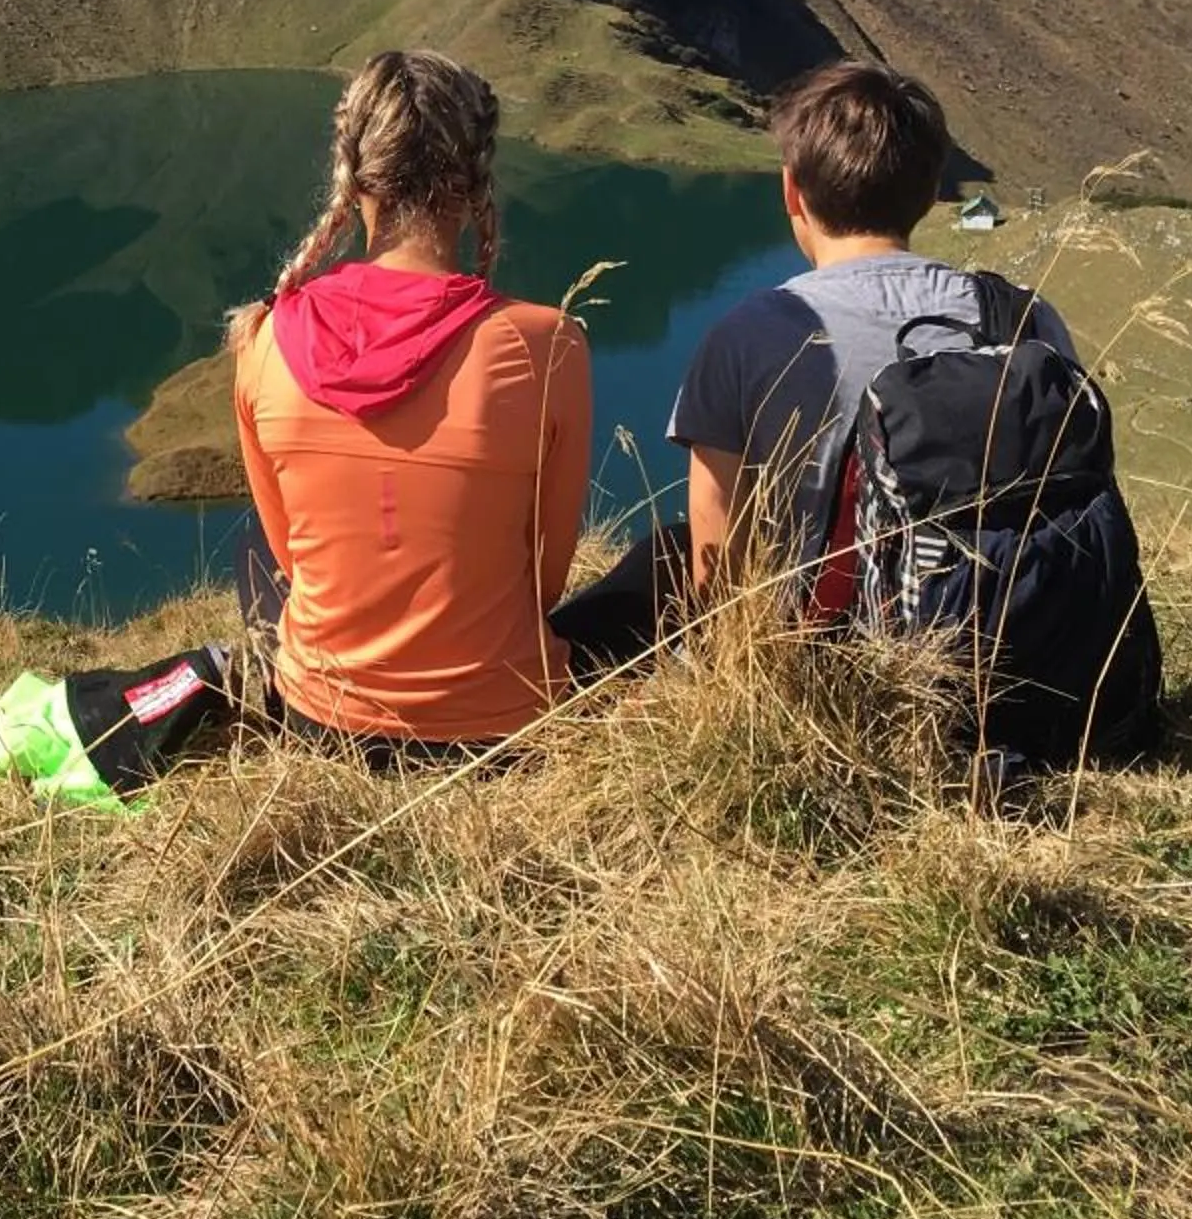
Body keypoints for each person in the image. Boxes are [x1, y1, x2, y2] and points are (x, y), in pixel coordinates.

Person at [227, 50, 590, 759]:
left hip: (321, 723)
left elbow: (292, 564)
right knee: (662, 560)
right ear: (476, 176)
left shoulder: (264, 338)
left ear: (355, 173)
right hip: (500, 728)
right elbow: (543, 577)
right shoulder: (547, 345)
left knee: (253, 556)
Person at [666, 58, 1078, 603]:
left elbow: (717, 566)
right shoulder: (1025, 316)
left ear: (792, 192)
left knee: (659, 556)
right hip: (1025, 641)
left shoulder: (745, 337)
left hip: (825, 667)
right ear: (931, 194)